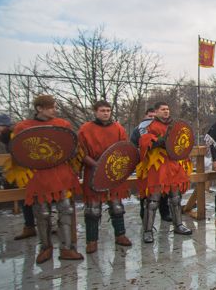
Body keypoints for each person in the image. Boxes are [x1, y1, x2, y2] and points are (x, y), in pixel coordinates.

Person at [9, 95, 83, 263]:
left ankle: (66, 248)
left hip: (60, 172)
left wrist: (73, 155)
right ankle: (45, 248)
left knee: (66, 209)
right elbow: (18, 151)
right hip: (39, 175)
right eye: (50, 107)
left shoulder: (62, 125)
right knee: (42, 213)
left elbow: (72, 146)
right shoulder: (23, 127)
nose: (53, 110)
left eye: (54, 107)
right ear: (39, 108)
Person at [77, 101, 133, 254]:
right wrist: (97, 165)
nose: (106, 113)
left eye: (108, 110)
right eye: (102, 110)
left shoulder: (118, 128)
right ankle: (91, 241)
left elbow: (124, 148)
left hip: (113, 171)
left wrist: (114, 166)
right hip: (93, 171)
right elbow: (81, 152)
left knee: (116, 206)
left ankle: (120, 235)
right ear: (95, 111)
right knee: (93, 209)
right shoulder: (86, 129)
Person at [136, 102, 193, 243]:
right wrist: (160, 140)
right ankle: (148, 231)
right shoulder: (148, 126)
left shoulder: (174, 125)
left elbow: (182, 141)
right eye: (163, 109)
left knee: (175, 198)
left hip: (173, 164)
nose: (166, 111)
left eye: (167, 109)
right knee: (153, 200)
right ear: (156, 112)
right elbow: (145, 143)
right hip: (158, 165)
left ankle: (178, 225)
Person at [0, 114, 36, 240]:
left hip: (29, 172)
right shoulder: (7, 138)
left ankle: (42, 225)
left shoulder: (14, 136)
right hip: (22, 173)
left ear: (4, 126)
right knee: (25, 199)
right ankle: (30, 226)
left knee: (34, 199)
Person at [131, 108, 171, 222]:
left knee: (163, 189)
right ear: (145, 116)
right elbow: (133, 146)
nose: (152, 119)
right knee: (146, 192)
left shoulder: (162, 127)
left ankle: (165, 213)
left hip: (161, 164)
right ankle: (144, 214)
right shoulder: (138, 130)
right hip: (145, 165)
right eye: (150, 116)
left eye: (154, 116)